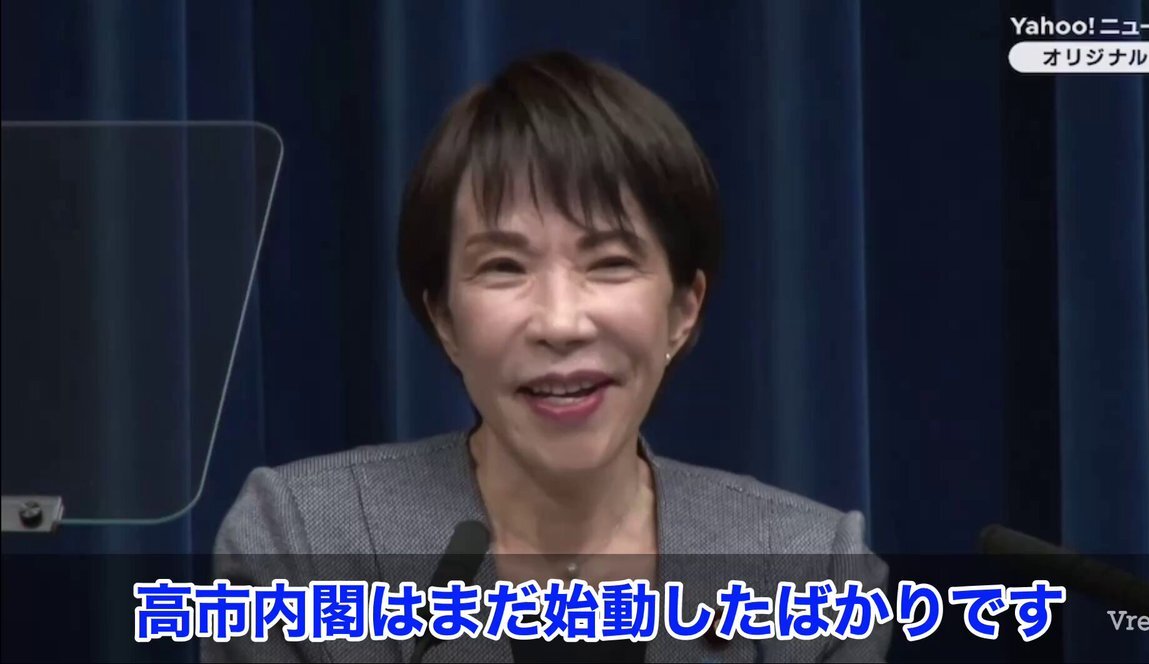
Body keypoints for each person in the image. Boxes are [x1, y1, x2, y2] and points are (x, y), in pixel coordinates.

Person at [205, 50, 890, 663]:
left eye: (610, 262)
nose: (560, 323)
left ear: (684, 310)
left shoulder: (812, 573)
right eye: (504, 267)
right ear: (445, 318)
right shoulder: (300, 547)